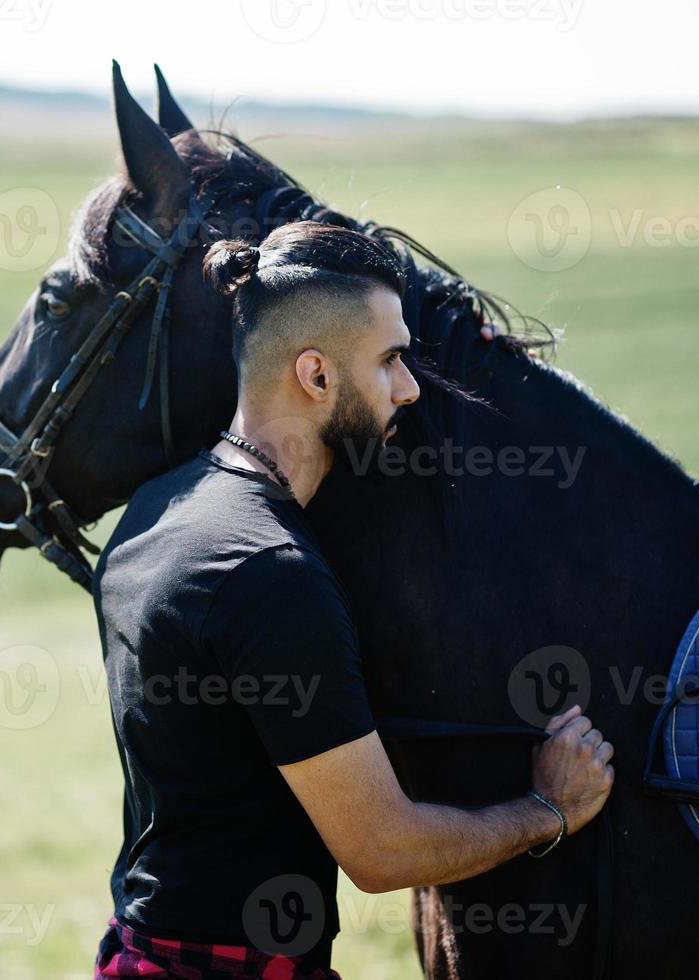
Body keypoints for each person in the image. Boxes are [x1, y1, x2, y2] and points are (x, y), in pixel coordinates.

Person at [90, 221, 614, 979]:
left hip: (145, 945)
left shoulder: (159, 510)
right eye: (391, 359)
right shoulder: (268, 573)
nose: (408, 387)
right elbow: (380, 850)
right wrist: (548, 809)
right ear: (316, 375)